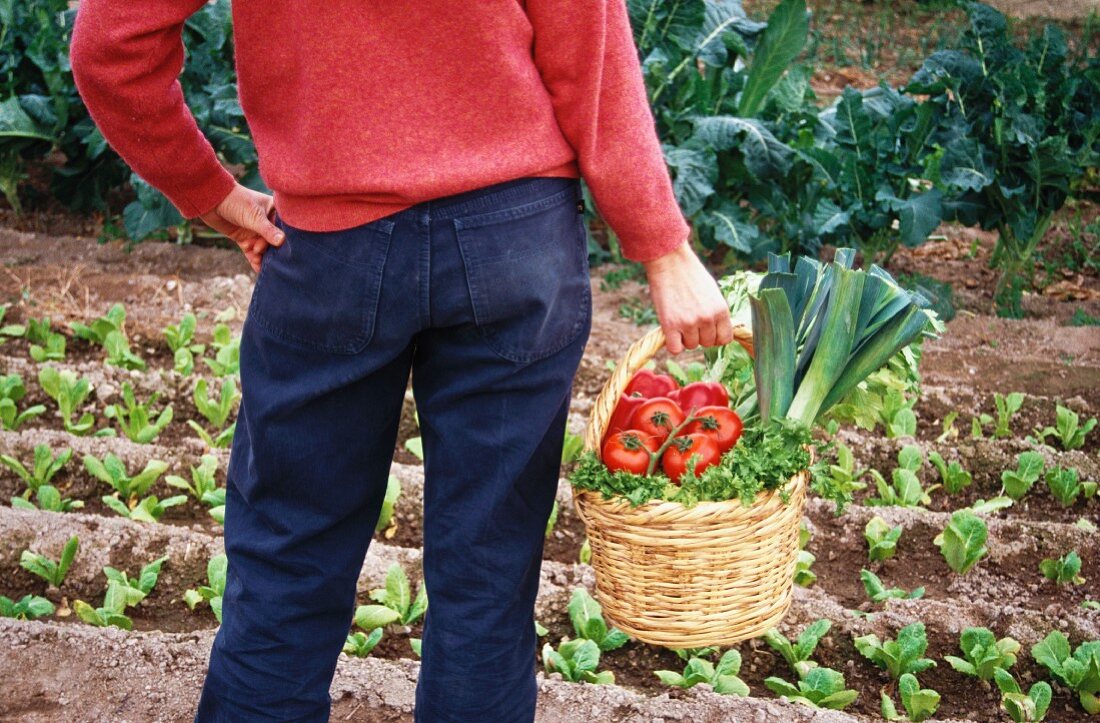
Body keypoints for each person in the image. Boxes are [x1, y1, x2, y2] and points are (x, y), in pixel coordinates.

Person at [69, 1, 735, 720]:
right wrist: (662, 246)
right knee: (488, 579)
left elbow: (111, 42)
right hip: (513, 247)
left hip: (330, 254)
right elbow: (588, 45)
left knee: (286, 572)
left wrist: (208, 193)